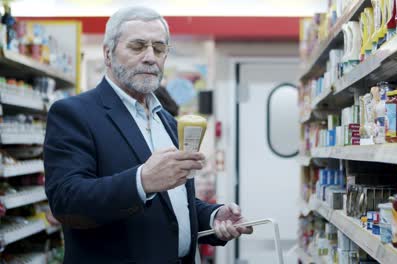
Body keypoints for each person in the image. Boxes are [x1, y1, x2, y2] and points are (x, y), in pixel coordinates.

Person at [44, 6, 252, 263]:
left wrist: (213, 215)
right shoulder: (75, 113)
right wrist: (141, 181)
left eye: (159, 48)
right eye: (138, 46)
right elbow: (66, 201)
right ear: (108, 54)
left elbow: (173, 205)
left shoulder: (166, 120)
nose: (150, 57)